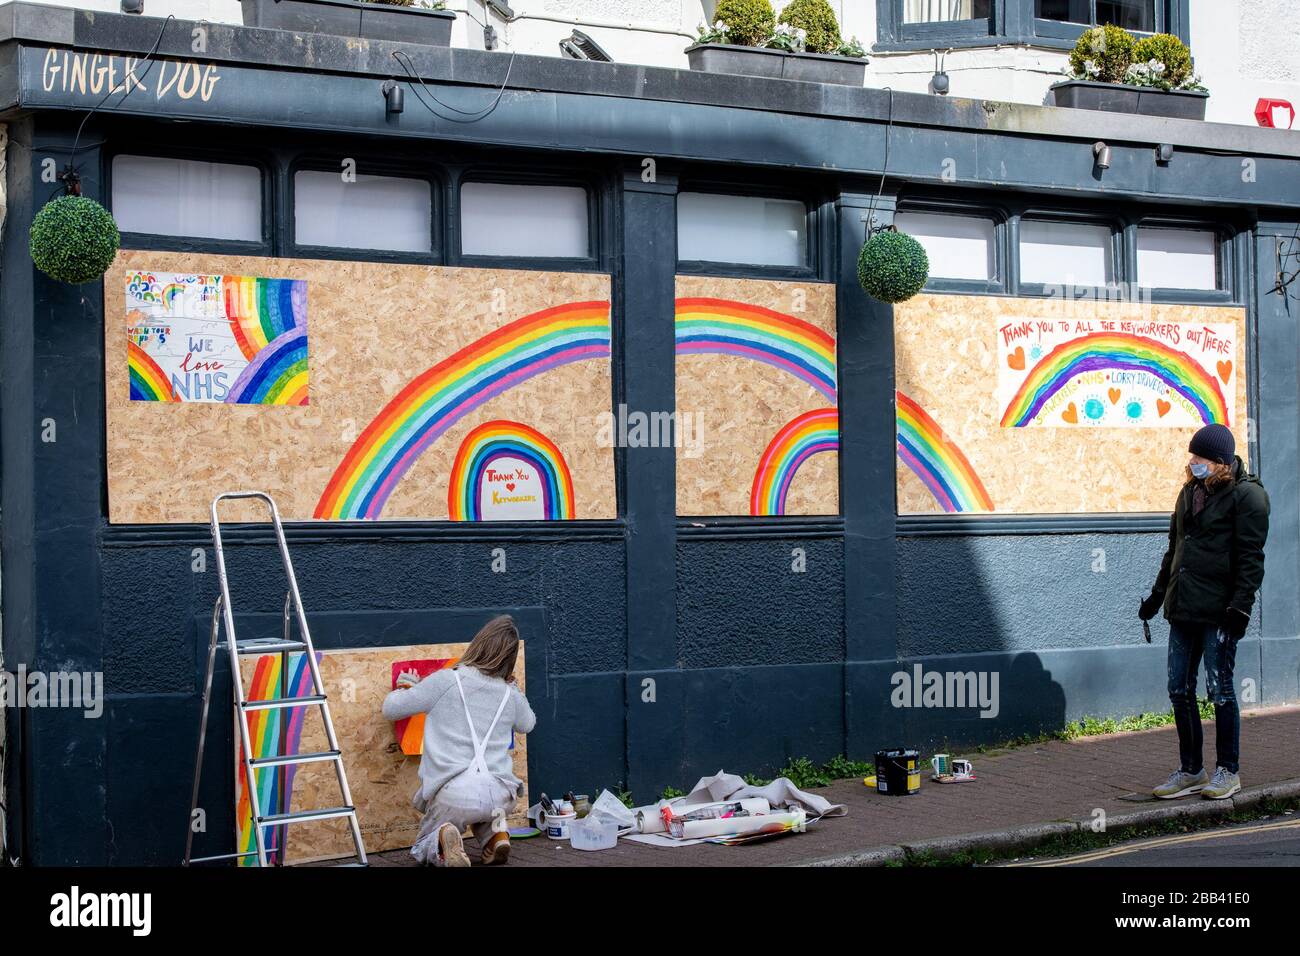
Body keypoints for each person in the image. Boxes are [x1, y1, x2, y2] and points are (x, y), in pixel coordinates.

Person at [1140, 423, 1268, 801]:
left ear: (1220, 462)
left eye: (1201, 457)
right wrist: (1156, 597)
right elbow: (1173, 550)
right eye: (1192, 456)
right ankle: (1191, 770)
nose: (1193, 462)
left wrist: (1240, 609)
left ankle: (1227, 771)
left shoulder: (1248, 497)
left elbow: (1251, 559)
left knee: (1220, 690)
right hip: (1183, 607)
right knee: (1178, 689)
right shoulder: (1188, 493)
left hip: (1219, 612)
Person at [382, 614, 535, 866]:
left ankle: (442, 839)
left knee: (423, 846)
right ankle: (496, 836)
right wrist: (515, 689)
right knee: (486, 805)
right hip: (502, 794)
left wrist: (407, 687)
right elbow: (527, 723)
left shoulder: (445, 681)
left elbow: (391, 709)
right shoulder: (509, 694)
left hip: (456, 795)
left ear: (479, 644)